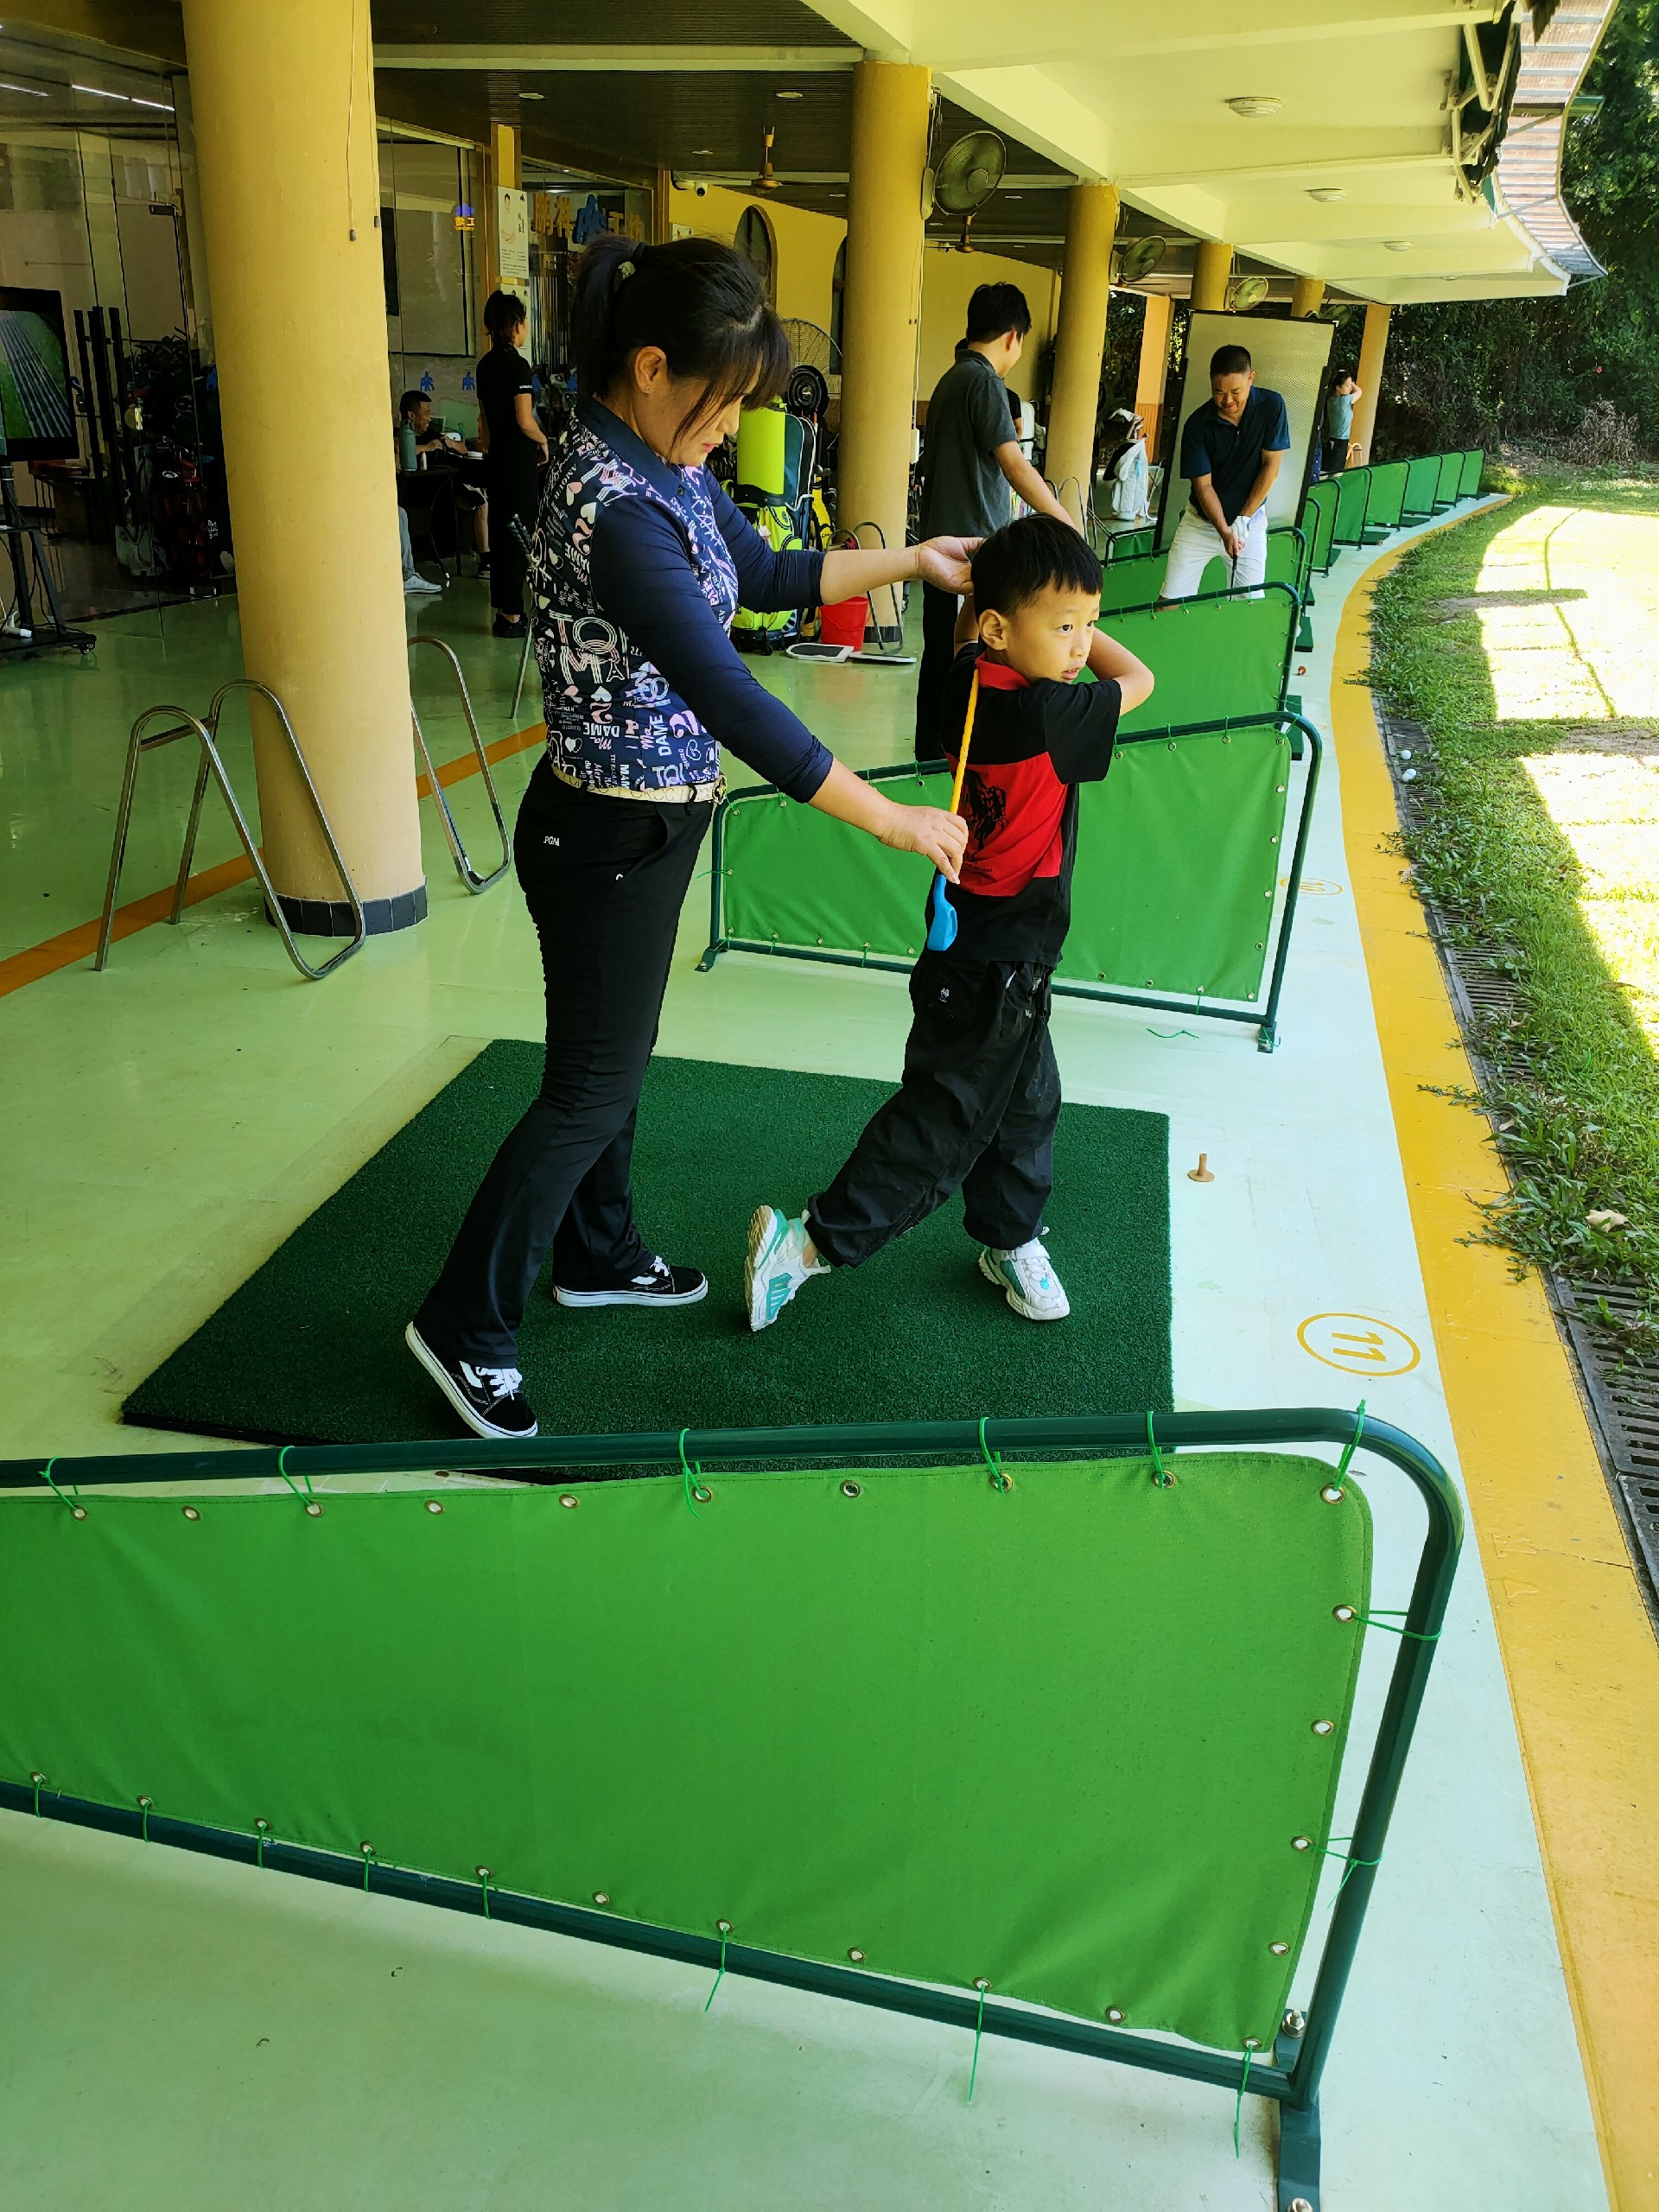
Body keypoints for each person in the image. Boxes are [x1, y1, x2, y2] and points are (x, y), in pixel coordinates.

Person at [405, 235, 976, 1440]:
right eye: (721, 405)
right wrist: (890, 818)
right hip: (603, 839)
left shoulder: (663, 464)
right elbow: (731, 696)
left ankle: (598, 1253)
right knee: (586, 1089)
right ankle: (463, 1325)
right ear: (652, 367)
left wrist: (913, 559)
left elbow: (765, 571)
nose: (727, 432)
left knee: (614, 1062)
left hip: (645, 829)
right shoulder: (612, 503)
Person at [745, 515, 1154, 1333]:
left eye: (1090, 623)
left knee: (1028, 1102)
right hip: (1000, 959)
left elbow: (976, 631)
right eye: (1066, 626)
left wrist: (1013, 600)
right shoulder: (1049, 710)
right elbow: (1138, 677)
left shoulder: (969, 674)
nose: (1082, 645)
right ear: (1002, 627)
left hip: (981, 944)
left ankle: (1009, 1237)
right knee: (945, 1121)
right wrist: (1075, 622)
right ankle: (807, 1247)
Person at [913, 283, 1080, 760]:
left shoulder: (951, 378)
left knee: (941, 657)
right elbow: (1014, 464)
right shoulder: (984, 382)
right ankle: (953, 757)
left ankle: (931, 756)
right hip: (970, 551)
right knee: (968, 659)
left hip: (941, 545)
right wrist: (1063, 523)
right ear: (1013, 336)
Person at [1159, 344, 1290, 604]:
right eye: (1219, 392)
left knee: (1249, 603)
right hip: (1201, 523)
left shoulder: (1272, 406)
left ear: (1251, 378)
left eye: (1235, 392)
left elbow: (1271, 466)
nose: (1227, 400)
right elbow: (1203, 486)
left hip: (1250, 525)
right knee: (1170, 601)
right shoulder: (1197, 425)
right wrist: (1225, 530)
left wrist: (1243, 518)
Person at [474, 291, 547, 639]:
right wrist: (544, 441)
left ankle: (504, 612)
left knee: (501, 534)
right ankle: (515, 615)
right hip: (518, 463)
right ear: (515, 326)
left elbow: (484, 424)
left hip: (496, 460)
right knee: (520, 533)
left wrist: (492, 449)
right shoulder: (519, 367)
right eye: (524, 322)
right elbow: (524, 420)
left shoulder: (484, 366)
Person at [398, 389, 489, 569]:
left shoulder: (432, 433)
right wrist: (429, 447)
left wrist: (450, 443)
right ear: (411, 415)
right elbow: (400, 450)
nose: (429, 418)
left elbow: (463, 449)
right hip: (432, 485)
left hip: (458, 473)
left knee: (487, 480)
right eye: (426, 413)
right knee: (481, 499)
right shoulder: (400, 435)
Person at [1101, 408, 1151, 525]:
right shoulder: (1130, 446)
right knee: (1129, 445)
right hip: (1129, 466)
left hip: (1130, 468)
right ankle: (1134, 424)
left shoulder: (1132, 446)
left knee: (1130, 445)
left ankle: (1134, 423)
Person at [1324, 370, 1362, 474]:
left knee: (1327, 473)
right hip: (1339, 443)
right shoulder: (1344, 401)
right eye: (1347, 386)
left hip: (1333, 441)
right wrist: (1353, 383)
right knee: (1335, 475)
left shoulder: (1331, 400)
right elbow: (1359, 392)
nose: (1350, 388)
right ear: (1338, 388)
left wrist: (1347, 380)